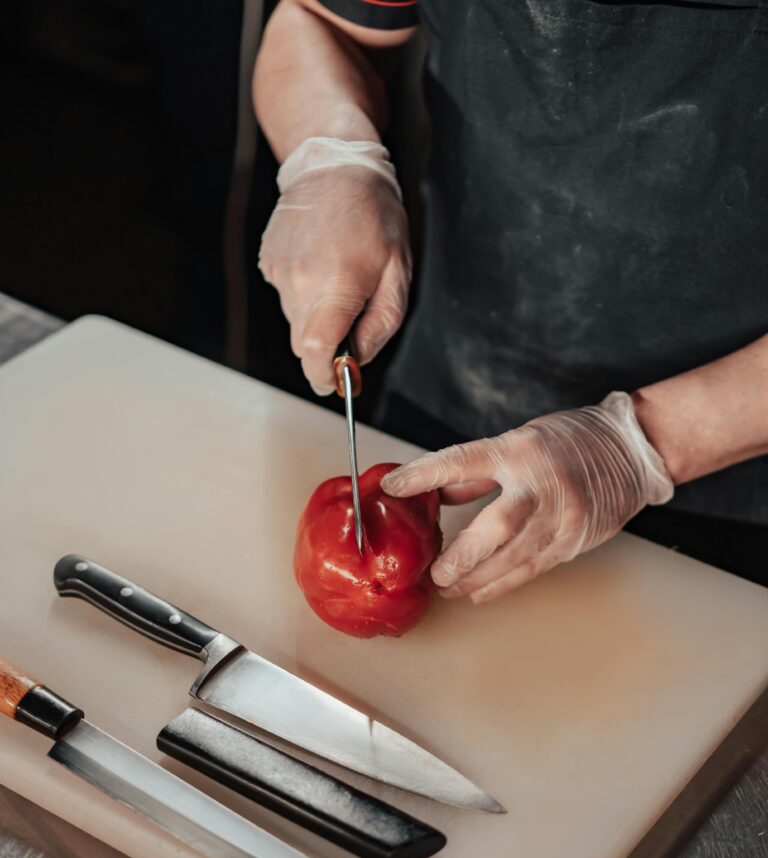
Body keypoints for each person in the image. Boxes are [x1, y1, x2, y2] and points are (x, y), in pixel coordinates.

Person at [253, 0, 768, 598]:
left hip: (736, 471)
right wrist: (331, 156)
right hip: (455, 394)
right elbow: (319, 22)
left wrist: (640, 446)